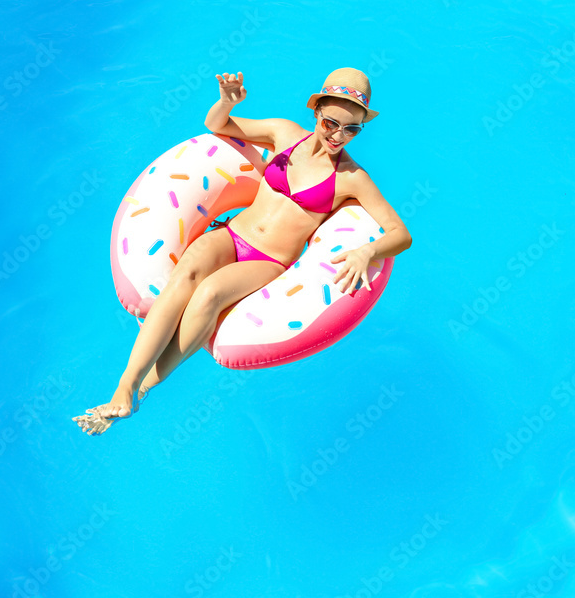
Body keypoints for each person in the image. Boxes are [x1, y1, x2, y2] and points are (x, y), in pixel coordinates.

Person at [73, 67, 412, 435]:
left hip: (268, 260)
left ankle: (142, 390)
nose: (338, 136)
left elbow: (401, 234)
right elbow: (217, 125)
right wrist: (227, 102)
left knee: (209, 294)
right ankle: (124, 386)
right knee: (186, 273)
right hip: (232, 234)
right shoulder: (284, 133)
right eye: (331, 123)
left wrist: (367, 251)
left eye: (351, 129)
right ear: (316, 111)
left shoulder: (351, 177)